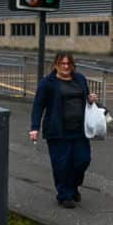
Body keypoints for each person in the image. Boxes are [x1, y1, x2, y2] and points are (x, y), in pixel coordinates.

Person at [29, 52, 99, 208]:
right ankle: (64, 195)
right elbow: (38, 106)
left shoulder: (79, 78)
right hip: (57, 131)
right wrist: (35, 127)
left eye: (69, 64)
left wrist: (90, 98)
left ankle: (73, 186)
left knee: (83, 160)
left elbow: (85, 97)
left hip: (80, 130)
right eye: (62, 64)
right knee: (62, 165)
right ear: (56, 65)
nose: (66, 67)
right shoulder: (48, 83)